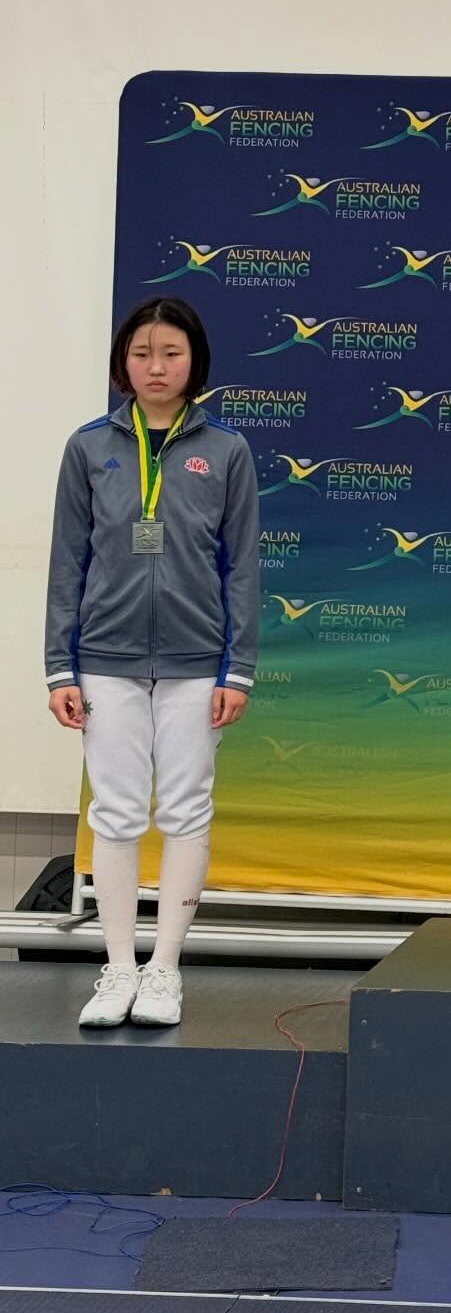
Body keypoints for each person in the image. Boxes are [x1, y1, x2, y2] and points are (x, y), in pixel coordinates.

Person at [44, 297, 259, 1029]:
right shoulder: (89, 448)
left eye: (171, 353)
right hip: (105, 660)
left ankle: (165, 969)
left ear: (194, 359)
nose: (156, 367)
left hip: (199, 664)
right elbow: (66, 562)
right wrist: (58, 667)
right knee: (115, 812)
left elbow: (243, 571)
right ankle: (119, 967)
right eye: (142, 354)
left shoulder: (227, 451)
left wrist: (238, 669)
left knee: (188, 810)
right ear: (122, 363)